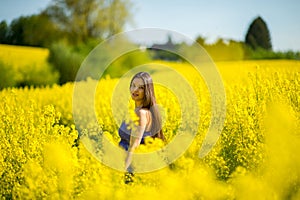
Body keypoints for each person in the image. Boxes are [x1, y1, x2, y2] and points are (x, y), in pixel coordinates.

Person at [118, 72, 165, 184]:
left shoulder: (141, 113)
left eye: (141, 87)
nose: (135, 90)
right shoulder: (143, 111)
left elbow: (134, 145)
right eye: (133, 85)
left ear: (147, 91)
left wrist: (124, 172)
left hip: (131, 168)